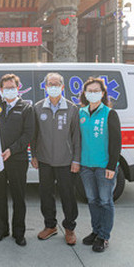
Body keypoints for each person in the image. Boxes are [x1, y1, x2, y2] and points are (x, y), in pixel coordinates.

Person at [31, 72, 81, 246]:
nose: (53, 87)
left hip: (66, 161)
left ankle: (69, 229)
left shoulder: (72, 108)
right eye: (50, 84)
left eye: (56, 84)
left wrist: (76, 160)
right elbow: (34, 135)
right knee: (45, 195)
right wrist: (34, 155)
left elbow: (76, 137)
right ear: (45, 87)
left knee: (68, 195)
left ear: (62, 87)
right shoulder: (37, 108)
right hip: (44, 160)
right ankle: (50, 226)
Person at [0, 74, 34, 247]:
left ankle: (19, 232)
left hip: (17, 159)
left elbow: (28, 134)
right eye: (6, 88)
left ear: (18, 87)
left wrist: (11, 150)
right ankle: (1, 229)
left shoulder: (26, 108)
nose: (9, 90)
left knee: (18, 196)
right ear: (0, 90)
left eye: (12, 87)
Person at [78, 77, 122, 253]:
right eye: (89, 91)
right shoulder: (81, 113)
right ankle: (95, 231)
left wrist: (112, 166)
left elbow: (116, 142)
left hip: (104, 166)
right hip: (86, 166)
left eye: (96, 90)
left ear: (103, 93)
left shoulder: (109, 113)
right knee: (92, 200)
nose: (93, 93)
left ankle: (104, 236)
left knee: (105, 201)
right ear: (85, 94)